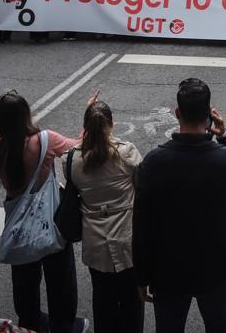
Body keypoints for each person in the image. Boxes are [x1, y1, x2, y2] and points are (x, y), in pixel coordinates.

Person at [133, 78, 226, 333]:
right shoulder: (225, 159)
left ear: (177, 113)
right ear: (209, 114)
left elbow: (142, 224)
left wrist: (142, 275)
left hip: (168, 270)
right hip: (216, 268)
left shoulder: (154, 162)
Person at [0, 91, 86, 333]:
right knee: (61, 283)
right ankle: (64, 326)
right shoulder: (45, 141)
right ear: (25, 115)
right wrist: (88, 123)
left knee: (25, 284)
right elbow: (79, 148)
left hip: (18, 223)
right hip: (51, 221)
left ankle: (30, 325)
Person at [71, 100, 145, 333]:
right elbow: (143, 188)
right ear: (111, 125)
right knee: (132, 304)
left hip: (95, 245)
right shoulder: (126, 153)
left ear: (85, 127)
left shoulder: (72, 160)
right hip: (127, 240)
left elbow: (77, 151)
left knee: (103, 303)